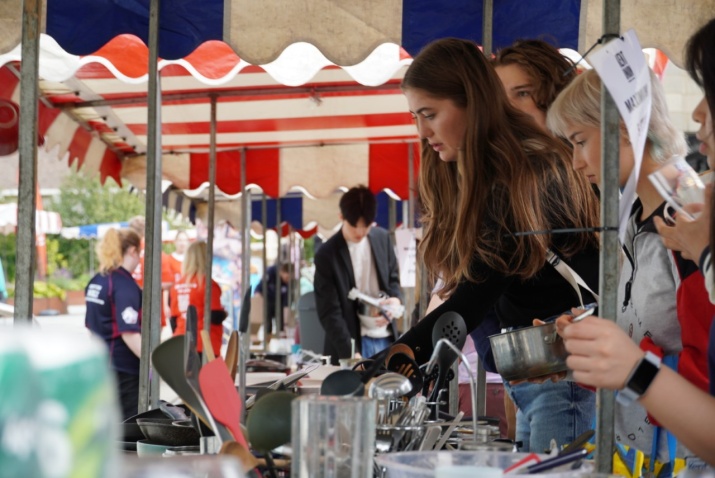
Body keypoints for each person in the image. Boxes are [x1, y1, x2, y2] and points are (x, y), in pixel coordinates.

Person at [396, 38, 601, 453]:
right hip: (540, 373)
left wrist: (395, 358)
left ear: (472, 101)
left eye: (431, 114)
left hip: (567, 376)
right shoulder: (498, 168)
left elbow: (475, 293)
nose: (423, 131)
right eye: (417, 116)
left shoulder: (525, 171)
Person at [557, 17, 715, 467]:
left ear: (623, 130)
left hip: (689, 456)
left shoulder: (687, 220)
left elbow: (704, 372)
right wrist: (596, 341)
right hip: (646, 450)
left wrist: (629, 361)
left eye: (579, 141)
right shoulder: (632, 219)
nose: (574, 162)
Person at [314, 185, 403, 364]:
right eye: (354, 226)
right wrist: (351, 353)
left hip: (386, 338)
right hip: (350, 344)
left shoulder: (382, 238)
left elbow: (393, 278)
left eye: (366, 226)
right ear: (341, 218)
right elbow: (329, 312)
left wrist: (396, 299)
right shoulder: (327, 254)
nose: (360, 232)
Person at [84, 228, 142, 421]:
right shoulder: (124, 285)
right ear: (133, 251)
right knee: (127, 432)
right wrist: (155, 364)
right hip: (125, 372)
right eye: (139, 254)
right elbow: (130, 334)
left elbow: (91, 329)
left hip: (103, 367)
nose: (140, 260)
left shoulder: (96, 280)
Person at [170, 241, 226, 357]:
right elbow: (214, 316)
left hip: (180, 343)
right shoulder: (208, 285)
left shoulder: (177, 285)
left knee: (183, 376)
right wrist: (224, 313)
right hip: (206, 345)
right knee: (220, 376)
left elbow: (173, 319)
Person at [128, 216, 173, 332]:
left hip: (130, 310)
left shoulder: (125, 251)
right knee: (152, 349)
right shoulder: (157, 251)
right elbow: (168, 282)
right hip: (153, 311)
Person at [253, 262, 291, 337]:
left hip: (279, 302)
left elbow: (286, 303)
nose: (288, 280)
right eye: (287, 277)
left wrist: (286, 322)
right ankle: (268, 337)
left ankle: (281, 334)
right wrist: (258, 303)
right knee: (268, 322)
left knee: (280, 321)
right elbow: (259, 288)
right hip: (268, 299)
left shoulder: (286, 284)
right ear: (282, 272)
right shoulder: (270, 272)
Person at [166, 230, 191, 332]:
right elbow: (166, 285)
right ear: (175, 242)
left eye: (184, 240)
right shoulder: (169, 259)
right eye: (180, 240)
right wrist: (165, 305)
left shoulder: (191, 260)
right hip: (174, 301)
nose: (182, 243)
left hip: (189, 300)